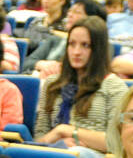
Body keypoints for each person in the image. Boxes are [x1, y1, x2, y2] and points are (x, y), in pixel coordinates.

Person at [35, 16, 127, 149]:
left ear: (98, 49)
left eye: (85, 45)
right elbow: (39, 140)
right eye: (72, 44)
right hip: (54, 152)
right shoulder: (52, 84)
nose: (76, 52)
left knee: (78, 153)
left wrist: (67, 131)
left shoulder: (114, 86)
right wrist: (58, 142)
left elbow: (116, 142)